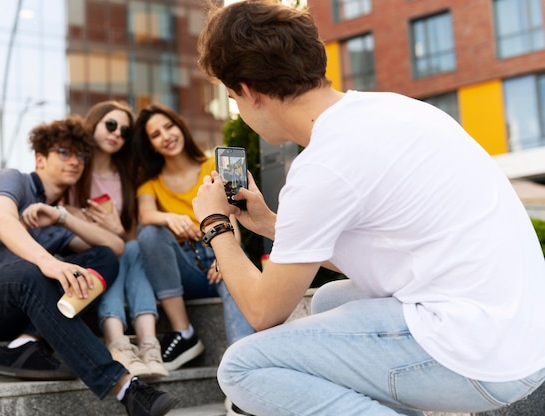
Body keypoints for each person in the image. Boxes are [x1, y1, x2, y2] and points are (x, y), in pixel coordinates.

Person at [192, 1, 545, 415]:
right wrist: (271, 224)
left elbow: (263, 311)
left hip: (484, 357)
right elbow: (388, 255)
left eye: (233, 98)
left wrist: (215, 224)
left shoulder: (323, 164)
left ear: (249, 92)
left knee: (242, 368)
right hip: (523, 336)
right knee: (329, 302)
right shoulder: (393, 109)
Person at [0, 116, 178, 416]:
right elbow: (3, 224)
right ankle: (125, 387)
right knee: (33, 272)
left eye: (81, 155)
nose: (75, 161)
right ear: (40, 158)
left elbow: (114, 249)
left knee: (101, 260)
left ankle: (24, 344)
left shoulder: (52, 217)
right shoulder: (11, 180)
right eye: (64, 152)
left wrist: (61, 216)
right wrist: (50, 263)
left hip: (7, 310)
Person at [131, 104, 254, 371]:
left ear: (180, 127)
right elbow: (146, 216)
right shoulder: (150, 182)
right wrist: (169, 218)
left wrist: (228, 254)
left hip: (220, 252)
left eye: (169, 126)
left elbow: (232, 214)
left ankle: (242, 369)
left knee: (236, 277)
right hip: (184, 267)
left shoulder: (212, 165)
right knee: (150, 233)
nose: (165, 136)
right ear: (151, 145)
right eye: (155, 134)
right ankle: (183, 332)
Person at [68, 100, 168, 378]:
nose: (117, 134)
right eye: (111, 125)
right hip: (83, 255)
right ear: (94, 123)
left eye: (124, 131)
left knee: (132, 247)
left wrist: (116, 231)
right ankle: (117, 341)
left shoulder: (127, 176)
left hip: (121, 250)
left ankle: (148, 344)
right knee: (113, 253)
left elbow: (130, 237)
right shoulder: (74, 167)